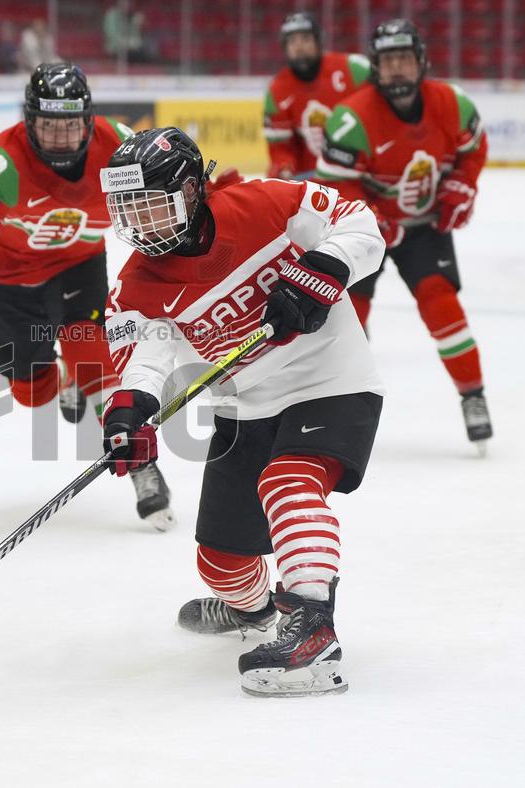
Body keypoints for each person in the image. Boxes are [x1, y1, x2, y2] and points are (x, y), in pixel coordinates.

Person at [99, 127, 385, 696]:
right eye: (130, 211)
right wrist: (129, 413)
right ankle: (254, 613)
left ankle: (312, 628)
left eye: (152, 206)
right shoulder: (137, 283)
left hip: (332, 378)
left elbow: (361, 222)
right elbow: (143, 357)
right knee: (220, 562)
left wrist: (321, 273)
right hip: (244, 406)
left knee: (289, 482)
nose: (142, 225)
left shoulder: (265, 205)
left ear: (188, 192)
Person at [0, 63, 176, 530]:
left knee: (94, 356)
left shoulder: (120, 149)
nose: (61, 139)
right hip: (6, 281)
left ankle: (141, 465)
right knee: (30, 391)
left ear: (88, 120)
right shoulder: (1, 165)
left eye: (70, 126)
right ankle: (59, 379)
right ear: (29, 121)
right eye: (48, 126)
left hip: (77, 268)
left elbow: (169, 196)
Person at [317, 19, 492, 451]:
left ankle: (474, 395)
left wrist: (463, 183)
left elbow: (474, 148)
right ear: (375, 67)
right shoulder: (350, 119)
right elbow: (335, 185)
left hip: (422, 227)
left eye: (404, 59)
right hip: (363, 231)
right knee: (346, 319)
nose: (396, 68)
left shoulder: (453, 103)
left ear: (421, 63)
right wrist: (371, 218)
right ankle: (331, 407)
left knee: (441, 304)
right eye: (388, 60)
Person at [262, 11, 369, 180]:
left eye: (305, 39)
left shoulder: (352, 69)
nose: (298, 46)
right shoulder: (277, 90)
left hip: (358, 172)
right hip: (310, 180)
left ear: (318, 42)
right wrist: (284, 169)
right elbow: (280, 148)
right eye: (292, 41)